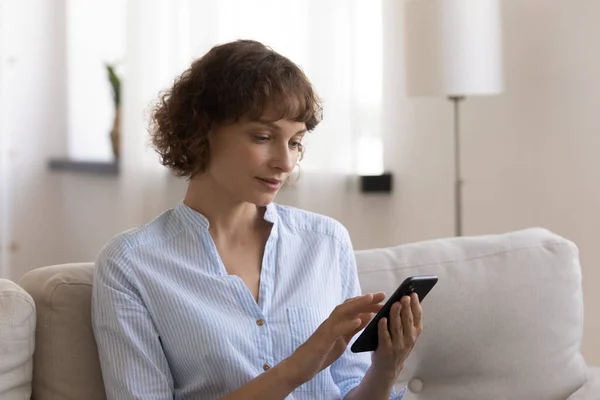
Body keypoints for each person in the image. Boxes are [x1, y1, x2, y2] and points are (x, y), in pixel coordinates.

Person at [92, 39, 423, 400]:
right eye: (264, 137)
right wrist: (297, 368)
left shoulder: (326, 241)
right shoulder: (133, 264)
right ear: (201, 130)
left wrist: (385, 368)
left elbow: (348, 390)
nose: (285, 161)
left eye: (295, 142)